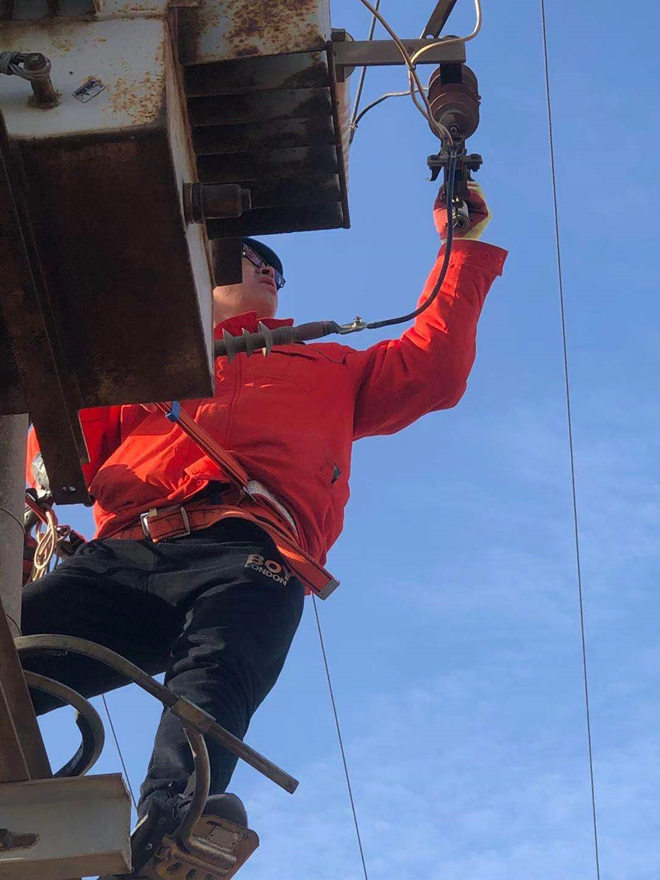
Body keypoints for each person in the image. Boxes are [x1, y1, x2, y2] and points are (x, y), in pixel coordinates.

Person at [21, 183, 506, 854]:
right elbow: (60, 451)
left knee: (215, 678)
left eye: (275, 268)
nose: (270, 271)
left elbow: (434, 369)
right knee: (18, 656)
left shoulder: (328, 361)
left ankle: (172, 829)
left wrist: (461, 246)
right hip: (129, 551)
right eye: (252, 258)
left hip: (252, 553)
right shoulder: (143, 365)